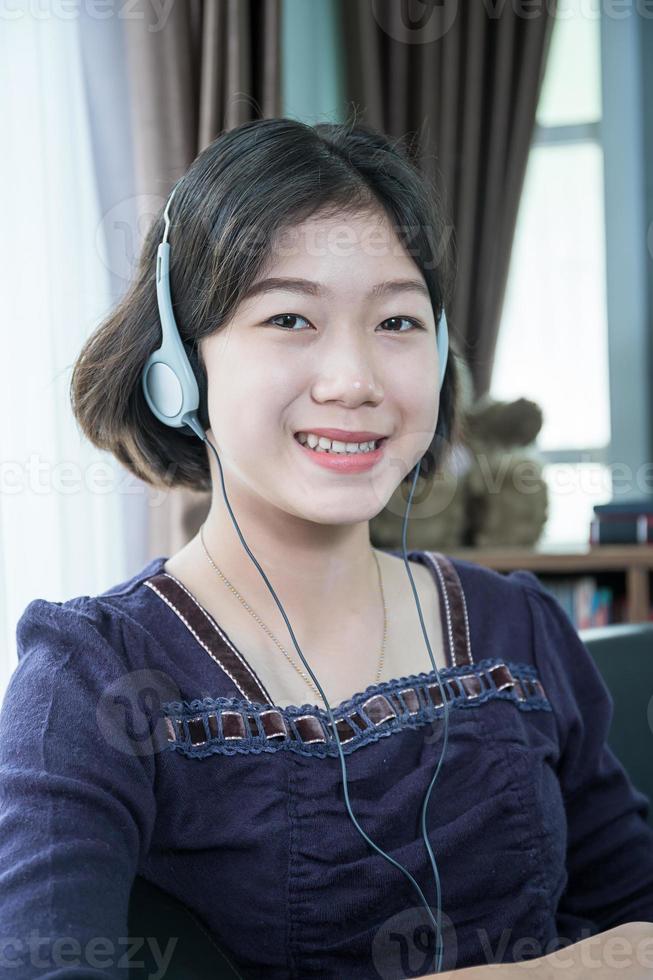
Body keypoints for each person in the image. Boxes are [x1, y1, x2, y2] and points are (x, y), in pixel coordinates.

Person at [1, 116, 652, 980]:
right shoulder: (95, 671)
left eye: (396, 322)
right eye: (289, 317)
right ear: (179, 363)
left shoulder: (516, 627)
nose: (354, 380)